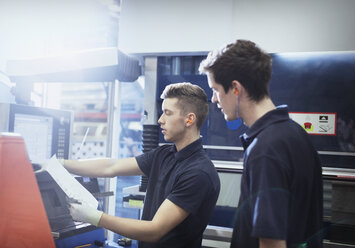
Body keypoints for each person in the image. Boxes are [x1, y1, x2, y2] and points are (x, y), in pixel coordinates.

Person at [62, 82, 220, 248]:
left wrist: (95, 217)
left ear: (189, 119)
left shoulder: (198, 173)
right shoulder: (164, 154)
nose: (160, 120)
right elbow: (111, 166)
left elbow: (155, 230)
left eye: (167, 113)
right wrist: (63, 164)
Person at [199, 40, 323, 248]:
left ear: (236, 88)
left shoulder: (265, 149)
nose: (213, 99)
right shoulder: (296, 134)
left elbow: (271, 241)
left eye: (216, 89)